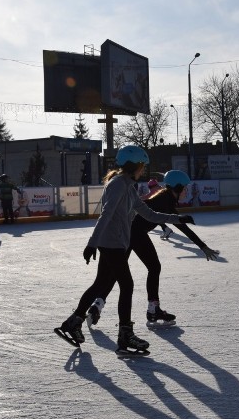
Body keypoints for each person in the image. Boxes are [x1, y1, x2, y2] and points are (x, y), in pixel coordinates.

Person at [55, 146, 194, 355]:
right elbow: (106, 213)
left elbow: (148, 213)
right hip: (111, 243)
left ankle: (73, 322)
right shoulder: (118, 185)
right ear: (134, 165)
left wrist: (177, 218)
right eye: (142, 166)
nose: (143, 170)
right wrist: (92, 242)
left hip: (115, 242)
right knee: (126, 285)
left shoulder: (128, 186)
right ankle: (125, 335)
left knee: (100, 284)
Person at [86, 169, 219, 330]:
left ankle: (97, 306)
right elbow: (181, 227)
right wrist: (203, 246)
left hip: (128, 233)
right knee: (153, 267)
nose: (187, 191)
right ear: (177, 187)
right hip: (134, 233)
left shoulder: (164, 197)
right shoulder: (165, 200)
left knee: (116, 274)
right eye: (185, 188)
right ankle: (153, 310)